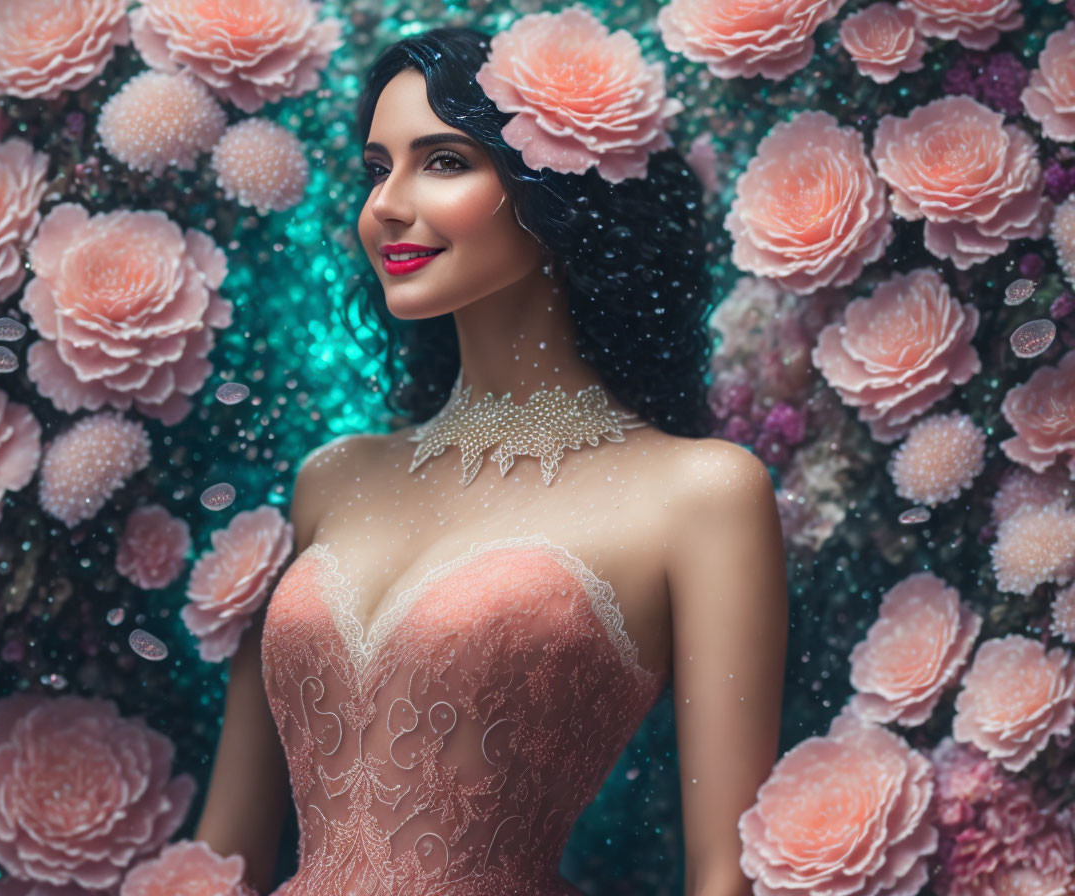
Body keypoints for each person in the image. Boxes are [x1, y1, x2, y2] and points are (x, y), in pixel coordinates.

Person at [193, 22, 789, 896]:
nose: (386, 204)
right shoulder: (333, 478)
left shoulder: (698, 493)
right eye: (375, 167)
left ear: (555, 185)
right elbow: (220, 861)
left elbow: (725, 875)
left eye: (442, 161)